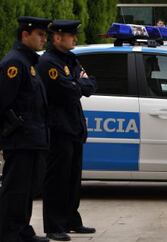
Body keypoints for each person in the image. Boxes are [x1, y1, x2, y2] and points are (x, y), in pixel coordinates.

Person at [38, 20, 97, 241]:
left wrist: (77, 84)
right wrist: (77, 84)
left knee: (72, 179)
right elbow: (68, 91)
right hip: (58, 128)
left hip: (74, 126)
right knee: (56, 180)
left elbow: (90, 86)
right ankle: (53, 225)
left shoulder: (71, 59)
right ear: (57, 38)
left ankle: (71, 220)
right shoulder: (48, 63)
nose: (75, 38)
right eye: (70, 35)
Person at [0, 16, 51, 242]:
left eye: (45, 35)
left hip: (33, 138)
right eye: (40, 34)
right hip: (20, 140)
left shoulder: (29, 62)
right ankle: (9, 233)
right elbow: (3, 103)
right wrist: (14, 129)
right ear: (25, 35)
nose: (44, 39)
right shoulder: (14, 63)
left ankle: (21, 230)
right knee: (15, 189)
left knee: (27, 189)